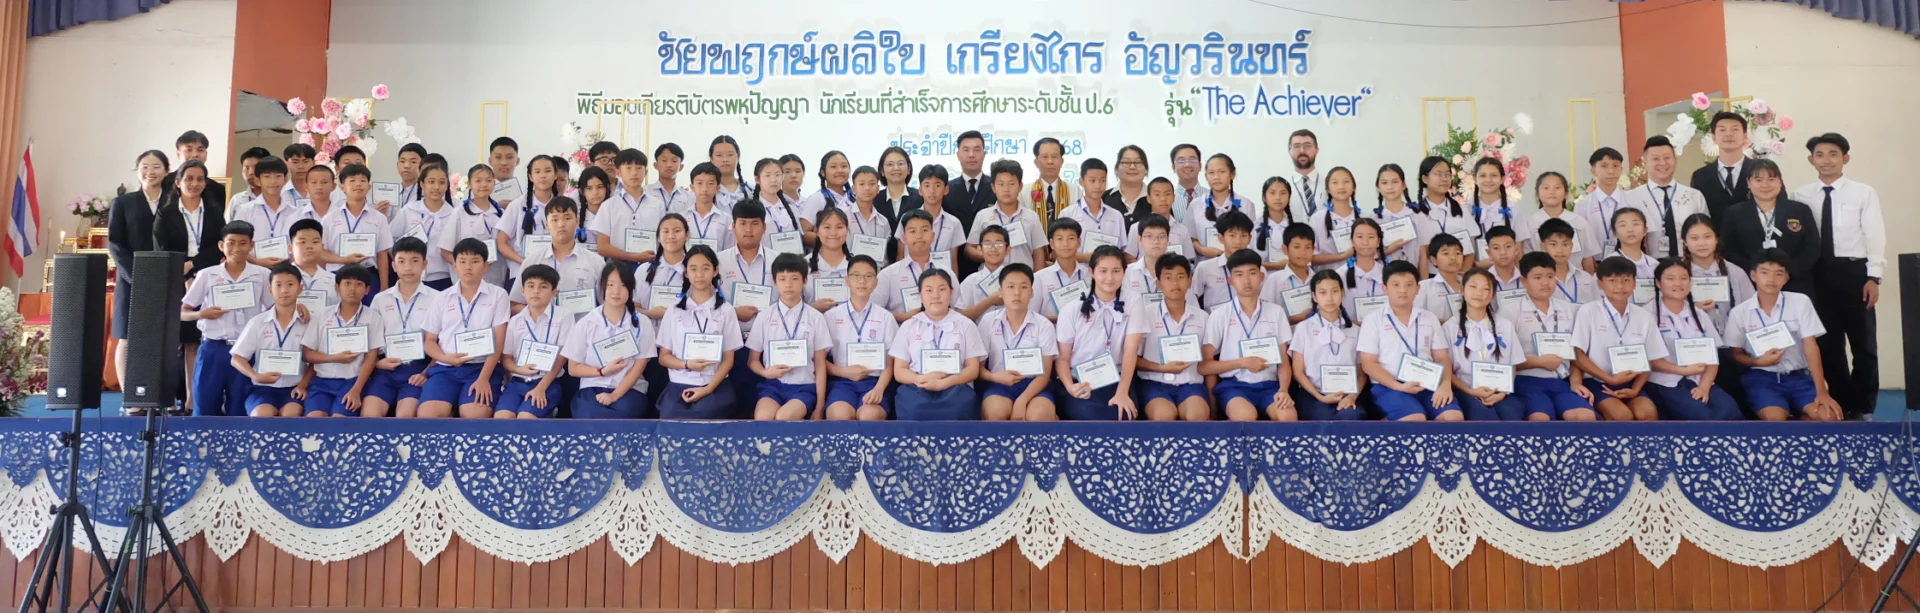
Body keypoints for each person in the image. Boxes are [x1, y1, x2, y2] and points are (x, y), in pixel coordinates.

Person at [1794, 132, 1883, 419]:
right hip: (1818, 273)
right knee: (1829, 344)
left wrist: (1874, 277)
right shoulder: (1800, 195)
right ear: (1811, 160)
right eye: (1819, 154)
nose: (1826, 160)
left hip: (1855, 272)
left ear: (1845, 158)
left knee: (1863, 343)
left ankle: (1864, 406)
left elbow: (1874, 234)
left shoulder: (1863, 192)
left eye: (1833, 154)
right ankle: (1842, 404)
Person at [1725, 249, 1844, 421]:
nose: (1771, 279)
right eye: (1765, 272)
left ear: (1786, 278)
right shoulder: (1740, 313)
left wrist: (1822, 392)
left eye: (1778, 274)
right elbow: (1735, 354)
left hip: (1799, 376)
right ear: (1753, 275)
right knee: (1776, 421)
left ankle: (1801, 419)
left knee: (1829, 417)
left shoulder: (1800, 302)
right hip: (1763, 377)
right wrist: (1757, 362)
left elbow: (1811, 346)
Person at [154, 160, 225, 412]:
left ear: (205, 183)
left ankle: (192, 400)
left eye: (199, 179)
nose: (194, 184)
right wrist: (184, 275)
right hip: (174, 279)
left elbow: (219, 247)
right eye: (189, 179)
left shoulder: (214, 212)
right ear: (178, 182)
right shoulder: (166, 213)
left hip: (207, 278)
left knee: (195, 341)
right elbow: (162, 248)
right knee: (175, 340)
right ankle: (169, 400)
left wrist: (193, 266)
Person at [180, 221, 271, 416]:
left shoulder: (263, 275)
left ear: (251, 246)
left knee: (240, 409)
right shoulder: (207, 275)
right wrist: (202, 314)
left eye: (243, 243)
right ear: (221, 246)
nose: (236, 248)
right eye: (231, 243)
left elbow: (274, 309)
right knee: (205, 407)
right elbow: (183, 312)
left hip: (246, 351)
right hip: (213, 348)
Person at [419, 238, 510, 419]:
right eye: (462, 261)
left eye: (475, 261)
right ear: (454, 265)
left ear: (486, 265)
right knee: (428, 416)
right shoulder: (441, 297)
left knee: (474, 416)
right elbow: (429, 341)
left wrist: (483, 378)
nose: (468, 267)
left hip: (481, 367)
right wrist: (446, 358)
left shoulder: (498, 295)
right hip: (445, 368)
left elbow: (499, 341)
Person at [1358, 260, 1460, 421]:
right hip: (1390, 385)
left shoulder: (1429, 318)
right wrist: (1398, 386)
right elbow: (1368, 363)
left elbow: (1441, 357)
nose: (1403, 290)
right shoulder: (1373, 320)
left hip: (1429, 383)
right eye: (1396, 285)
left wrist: (1445, 384)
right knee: (1415, 419)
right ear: (1384, 288)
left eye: (1409, 285)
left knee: (1453, 417)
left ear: (1418, 288)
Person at [1200, 249, 1295, 421]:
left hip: (1270, 386)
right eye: (1239, 275)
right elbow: (1205, 366)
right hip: (1234, 386)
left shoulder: (1276, 312)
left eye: (1252, 273)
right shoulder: (1220, 315)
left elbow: (1284, 362)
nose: (1246, 280)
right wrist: (1242, 362)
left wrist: (1283, 390)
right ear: (1230, 280)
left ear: (1261, 276)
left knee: (1288, 416)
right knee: (1245, 416)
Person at [1646, 259, 1743, 420]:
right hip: (1666, 381)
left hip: (1700, 379)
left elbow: (1712, 357)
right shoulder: (1647, 315)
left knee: (1731, 410)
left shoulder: (1699, 314)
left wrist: (1704, 386)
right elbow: (1651, 361)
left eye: (1683, 278)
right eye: (1670, 278)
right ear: (1658, 283)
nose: (1678, 283)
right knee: (1702, 416)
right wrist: (1684, 371)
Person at [1505, 252, 1597, 421]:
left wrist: (1576, 382)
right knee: (1540, 419)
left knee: (1585, 417)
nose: (1545, 282)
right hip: (1526, 380)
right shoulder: (1509, 312)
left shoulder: (1570, 310)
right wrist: (1538, 362)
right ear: (1524, 281)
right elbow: (1504, 358)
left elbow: (1577, 353)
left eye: (1550, 276)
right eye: (1537, 277)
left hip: (1562, 379)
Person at [655, 245, 743, 418]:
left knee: (705, 413)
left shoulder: (726, 311)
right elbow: (663, 357)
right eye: (693, 269)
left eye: (706, 268)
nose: (700, 274)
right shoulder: (674, 310)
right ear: (686, 273)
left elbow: (728, 359)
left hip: (714, 385)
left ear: (715, 271)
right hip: (678, 384)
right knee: (671, 417)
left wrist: (708, 389)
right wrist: (686, 365)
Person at [1572, 257, 1663, 421]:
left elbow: (1650, 358)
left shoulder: (1644, 316)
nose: (1620, 286)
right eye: (1612, 281)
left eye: (1626, 280)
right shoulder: (1588, 312)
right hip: (1599, 381)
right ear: (1600, 284)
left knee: (1647, 413)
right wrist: (1610, 379)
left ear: (1634, 283)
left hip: (1632, 382)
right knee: (1621, 416)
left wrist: (1636, 389)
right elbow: (1578, 354)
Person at [890, 268, 987, 420]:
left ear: (951, 292)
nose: (935, 296)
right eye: (929, 290)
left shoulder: (966, 325)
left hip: (956, 386)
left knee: (957, 410)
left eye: (942, 289)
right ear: (920, 294)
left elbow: (973, 369)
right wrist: (920, 379)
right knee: (913, 409)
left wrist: (944, 383)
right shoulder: (909, 326)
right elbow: (899, 371)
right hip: (917, 386)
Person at [108, 150, 168, 392]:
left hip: (165, 278)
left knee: (163, 337)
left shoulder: (174, 201)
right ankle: (128, 398)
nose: (150, 171)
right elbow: (115, 243)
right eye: (144, 166)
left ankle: (157, 394)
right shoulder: (123, 202)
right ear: (137, 171)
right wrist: (134, 276)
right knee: (127, 336)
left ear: (167, 171)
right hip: (130, 278)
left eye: (156, 166)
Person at [746, 254, 832, 420]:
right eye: (782, 279)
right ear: (774, 282)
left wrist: (820, 407)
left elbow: (820, 364)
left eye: (794, 278)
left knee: (784, 417)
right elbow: (752, 361)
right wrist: (765, 373)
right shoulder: (764, 316)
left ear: (804, 281)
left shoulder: (815, 317)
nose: (788, 284)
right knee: (763, 417)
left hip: (804, 386)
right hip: (773, 386)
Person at [564, 262, 656, 419]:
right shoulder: (586, 323)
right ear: (602, 287)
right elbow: (573, 368)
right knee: (589, 415)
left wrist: (614, 395)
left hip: (629, 389)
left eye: (623, 285)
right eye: (611, 285)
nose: (616, 291)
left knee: (624, 413)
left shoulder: (642, 322)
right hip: (592, 386)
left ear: (630, 289)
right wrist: (601, 371)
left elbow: (640, 366)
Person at [1125, 254, 1210, 421]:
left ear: (1190, 281)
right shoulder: (1145, 314)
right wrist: (1161, 368)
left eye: (1180, 277)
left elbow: (1208, 361)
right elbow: (1133, 357)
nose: (1175, 283)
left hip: (1190, 384)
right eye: (1168, 278)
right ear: (1158, 283)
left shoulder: (1203, 317)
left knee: (1197, 416)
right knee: (1164, 416)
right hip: (1154, 384)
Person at [1717, 159, 1819, 295]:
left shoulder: (1800, 210)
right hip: (1750, 283)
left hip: (1795, 283)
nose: (1765, 185)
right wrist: (1756, 273)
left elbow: (1812, 246)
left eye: (1771, 179)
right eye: (1758, 180)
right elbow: (1728, 249)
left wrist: (1787, 271)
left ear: (1780, 182)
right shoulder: (1734, 213)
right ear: (1748, 183)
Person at [1052, 246, 1131, 420]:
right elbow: (1062, 358)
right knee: (1091, 415)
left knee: (1123, 414)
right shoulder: (1071, 309)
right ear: (1092, 272)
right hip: (1079, 381)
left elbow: (1131, 351)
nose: (1109, 277)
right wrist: (1071, 387)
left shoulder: (1132, 301)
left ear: (1124, 273)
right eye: (1103, 271)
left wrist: (1122, 392)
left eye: (1116, 271)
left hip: (1116, 380)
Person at [363, 237, 439, 418]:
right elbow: (369, 339)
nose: (408, 267)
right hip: (386, 367)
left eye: (415, 261)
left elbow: (443, 343)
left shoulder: (437, 298)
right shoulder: (380, 299)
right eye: (402, 261)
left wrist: (426, 372)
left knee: (405, 415)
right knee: (369, 415)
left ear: (425, 264)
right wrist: (377, 363)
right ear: (394, 266)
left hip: (419, 368)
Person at [976, 264, 1059, 421]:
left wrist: (1022, 401)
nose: (1017, 293)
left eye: (1024, 287)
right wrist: (995, 377)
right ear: (1000, 291)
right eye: (1010, 287)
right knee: (995, 413)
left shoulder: (1043, 325)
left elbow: (1045, 374)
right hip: (999, 383)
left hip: (1035, 385)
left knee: (1038, 416)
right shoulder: (988, 321)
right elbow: (977, 368)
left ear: (1032, 292)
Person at [300, 264, 383, 417]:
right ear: (337, 287)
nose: (352, 289)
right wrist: (333, 358)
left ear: (367, 290)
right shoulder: (322, 315)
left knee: (339, 420)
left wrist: (356, 390)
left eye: (359, 284)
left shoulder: (373, 317)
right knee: (314, 419)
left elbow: (371, 357)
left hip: (352, 382)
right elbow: (307, 354)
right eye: (347, 283)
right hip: (321, 382)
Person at [1447, 268, 1529, 421]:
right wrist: (1470, 391)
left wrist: (1502, 393)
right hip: (1465, 391)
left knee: (1511, 416)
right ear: (1462, 289)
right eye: (1473, 287)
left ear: (1493, 295)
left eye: (1486, 289)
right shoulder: (1450, 327)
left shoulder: (1504, 325)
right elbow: (1447, 370)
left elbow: (1513, 365)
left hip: (1499, 392)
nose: (1479, 293)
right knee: (1483, 416)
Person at [231, 263, 312, 417]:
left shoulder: (308, 322)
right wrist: (255, 376)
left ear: (300, 289)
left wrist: (303, 385)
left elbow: (314, 360)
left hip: (295, 388)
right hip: (262, 388)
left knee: (291, 414)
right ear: (270, 290)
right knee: (262, 415)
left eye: (290, 284)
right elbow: (236, 358)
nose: (284, 290)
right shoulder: (257, 322)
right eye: (278, 285)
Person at [823, 255, 896, 421]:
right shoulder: (831, 316)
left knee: (869, 415)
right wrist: (843, 372)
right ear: (847, 280)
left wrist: (879, 389)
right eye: (856, 275)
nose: (862, 281)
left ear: (876, 282)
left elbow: (890, 361)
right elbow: (819, 360)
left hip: (875, 381)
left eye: (868, 276)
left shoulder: (886, 317)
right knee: (839, 414)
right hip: (842, 381)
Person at [499, 264, 574, 418]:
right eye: (531, 286)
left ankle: (548, 413)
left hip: (547, 383)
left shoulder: (564, 316)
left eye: (543, 287)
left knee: (525, 418)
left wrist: (541, 388)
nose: (536, 291)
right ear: (522, 290)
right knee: (502, 419)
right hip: (517, 381)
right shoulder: (515, 321)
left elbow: (562, 357)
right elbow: (506, 358)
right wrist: (519, 370)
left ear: (554, 292)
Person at [1289, 270, 1366, 420]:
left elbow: (1361, 372)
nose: (1329, 298)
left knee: (1351, 417)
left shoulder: (1355, 330)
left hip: (1347, 394)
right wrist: (1321, 397)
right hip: (1313, 394)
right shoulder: (1303, 328)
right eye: (1323, 293)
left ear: (1342, 293)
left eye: (1334, 291)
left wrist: (1352, 397)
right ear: (1314, 296)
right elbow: (1298, 372)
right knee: (1323, 418)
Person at [511, 198, 603, 315]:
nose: (561, 224)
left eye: (567, 218)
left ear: (577, 221)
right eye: (554, 219)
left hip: (583, 326)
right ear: (546, 225)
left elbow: (607, 304)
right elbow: (514, 304)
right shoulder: (533, 261)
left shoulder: (595, 262)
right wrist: (540, 314)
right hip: (543, 326)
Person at [1623, 136, 1709, 259]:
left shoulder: (1694, 195)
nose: (1662, 163)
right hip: (1649, 265)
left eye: (1667, 158)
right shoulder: (1631, 198)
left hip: (1689, 263)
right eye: (1655, 159)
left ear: (1675, 160)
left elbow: (1706, 232)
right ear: (1645, 162)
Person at [966, 159, 1047, 270]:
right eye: (1001, 184)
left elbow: (1038, 253)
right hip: (991, 277)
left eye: (1011, 184)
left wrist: (1037, 279)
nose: (1006, 189)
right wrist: (988, 255)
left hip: (1022, 277)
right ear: (993, 187)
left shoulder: (1031, 217)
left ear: (1020, 186)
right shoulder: (983, 216)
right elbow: (970, 248)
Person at [438, 165, 509, 287]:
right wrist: (463, 267)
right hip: (467, 283)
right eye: (478, 181)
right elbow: (445, 251)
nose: (484, 184)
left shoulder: (501, 213)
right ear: (469, 184)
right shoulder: (460, 212)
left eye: (488, 180)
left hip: (496, 281)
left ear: (494, 183)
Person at [321, 165, 391, 288]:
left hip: (368, 274)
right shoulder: (329, 219)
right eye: (352, 180)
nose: (358, 184)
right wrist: (342, 260)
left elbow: (382, 254)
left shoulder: (379, 218)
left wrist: (384, 287)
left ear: (369, 187)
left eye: (363, 180)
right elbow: (321, 252)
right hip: (337, 274)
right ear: (342, 187)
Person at [592, 148, 664, 267]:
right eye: (628, 168)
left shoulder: (657, 205)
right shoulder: (609, 206)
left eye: (639, 168)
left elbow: (664, 240)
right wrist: (633, 257)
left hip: (649, 267)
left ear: (646, 172)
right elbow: (602, 247)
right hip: (617, 268)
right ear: (618, 172)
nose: (634, 173)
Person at [495, 156, 563, 276]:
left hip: (556, 272)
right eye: (537, 172)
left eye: (547, 171)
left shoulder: (564, 206)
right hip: (522, 272)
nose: (542, 176)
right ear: (530, 176)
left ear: (555, 175)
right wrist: (524, 262)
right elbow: (501, 243)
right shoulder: (517, 205)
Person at [394, 163, 457, 290]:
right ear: (422, 184)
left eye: (442, 182)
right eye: (431, 182)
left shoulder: (455, 214)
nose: (436, 187)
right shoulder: (408, 211)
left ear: (447, 185)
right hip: (410, 278)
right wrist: (402, 264)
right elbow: (391, 242)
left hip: (443, 279)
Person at [876, 209, 946, 321]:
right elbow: (874, 310)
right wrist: (903, 317)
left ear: (933, 236)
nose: (919, 236)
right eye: (912, 231)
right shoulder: (888, 274)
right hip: (901, 329)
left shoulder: (946, 273)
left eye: (924, 230)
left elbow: (956, 310)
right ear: (904, 238)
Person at [894, 165, 963, 271]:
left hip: (941, 278)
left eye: (937, 185)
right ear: (920, 190)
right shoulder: (907, 218)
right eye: (927, 185)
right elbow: (900, 256)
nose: (932, 190)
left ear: (946, 190)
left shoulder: (954, 223)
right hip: (911, 276)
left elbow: (953, 262)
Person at [1058, 158, 1126, 264]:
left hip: (1109, 272)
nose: (1098, 186)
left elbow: (1123, 251)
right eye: (1092, 181)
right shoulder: (1068, 214)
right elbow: (1059, 253)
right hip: (1078, 272)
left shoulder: (1116, 216)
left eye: (1102, 180)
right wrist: (1087, 257)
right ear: (1081, 181)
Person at [1525, 171, 1598, 270]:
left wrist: (1588, 278)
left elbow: (1587, 257)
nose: (1552, 191)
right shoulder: (1530, 224)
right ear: (1537, 194)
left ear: (1566, 194)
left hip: (1575, 277)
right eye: (1546, 188)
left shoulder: (1579, 222)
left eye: (1557, 187)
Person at [1417, 157, 1479, 271]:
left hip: (1458, 276)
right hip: (1430, 276)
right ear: (1425, 178)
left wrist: (1462, 276)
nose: (1444, 179)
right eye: (1438, 174)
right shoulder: (1416, 213)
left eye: (1447, 175)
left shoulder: (1460, 210)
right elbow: (1420, 253)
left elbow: (1471, 247)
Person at [1690, 111, 1754, 219]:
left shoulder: (1761, 170)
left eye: (1735, 129)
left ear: (1745, 136)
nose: (1728, 134)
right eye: (1722, 130)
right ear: (1714, 138)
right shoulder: (1700, 176)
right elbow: (1697, 217)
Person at [1368, 164, 1433, 270]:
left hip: (1413, 275)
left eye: (1395, 182)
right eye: (1384, 183)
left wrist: (1424, 280)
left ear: (1403, 185)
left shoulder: (1417, 215)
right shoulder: (1373, 219)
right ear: (1378, 187)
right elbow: (1368, 255)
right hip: (1383, 276)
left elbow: (1423, 254)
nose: (1390, 187)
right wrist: (1390, 249)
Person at [1187, 154, 1251, 260]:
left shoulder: (1246, 204)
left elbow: (1250, 237)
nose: (1216, 177)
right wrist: (1203, 250)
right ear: (1206, 176)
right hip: (1205, 264)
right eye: (1211, 173)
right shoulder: (1196, 204)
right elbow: (1190, 239)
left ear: (1232, 174)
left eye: (1222, 172)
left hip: (1238, 263)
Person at [234, 156, 295, 267]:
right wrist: (256, 261)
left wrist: (290, 262)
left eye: (278, 176)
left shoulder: (295, 212)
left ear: (285, 180)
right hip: (253, 268)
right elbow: (235, 243)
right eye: (267, 176)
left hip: (287, 270)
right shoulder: (245, 210)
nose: (273, 181)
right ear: (258, 180)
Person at [1575, 147, 1628, 265]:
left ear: (1621, 169)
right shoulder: (1583, 205)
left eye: (1616, 166)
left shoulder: (1632, 200)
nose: (1611, 171)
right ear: (1593, 171)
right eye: (1604, 166)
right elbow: (1580, 240)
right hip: (1595, 264)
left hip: (1628, 262)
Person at [1191, 212, 1255, 310]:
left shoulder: (1257, 269)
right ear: (1221, 238)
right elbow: (1192, 299)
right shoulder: (1205, 268)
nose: (1238, 241)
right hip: (1213, 318)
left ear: (1250, 238)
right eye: (1232, 235)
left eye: (1243, 236)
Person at [1259, 223, 1319, 324]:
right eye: (1297, 247)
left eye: (1308, 247)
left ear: (1313, 249)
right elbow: (1265, 318)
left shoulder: (1319, 280)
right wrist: (1294, 319)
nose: (1303, 252)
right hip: (1286, 333)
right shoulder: (1274, 280)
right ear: (1285, 249)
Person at [1032, 218, 1090, 320]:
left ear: (1079, 242)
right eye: (1059, 239)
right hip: (1052, 329)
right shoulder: (1039, 278)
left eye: (1071, 238)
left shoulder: (1090, 275)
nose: (1065, 244)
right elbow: (1032, 315)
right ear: (1052, 244)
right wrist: (1061, 320)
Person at [751, 158, 813, 253]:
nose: (773, 180)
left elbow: (799, 237)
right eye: (767, 175)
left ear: (782, 177)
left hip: (790, 259)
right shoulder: (751, 209)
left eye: (777, 175)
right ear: (757, 179)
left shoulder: (791, 208)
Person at [636, 214, 690, 320]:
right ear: (658, 237)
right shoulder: (644, 270)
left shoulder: (694, 271)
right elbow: (633, 306)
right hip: (649, 328)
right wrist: (648, 313)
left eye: (677, 231)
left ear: (687, 235)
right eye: (666, 231)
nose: (671, 236)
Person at [1120, 215, 1180, 310]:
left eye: (1161, 236)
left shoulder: (1179, 273)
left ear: (1168, 240)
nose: (1156, 241)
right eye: (1149, 236)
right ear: (1140, 240)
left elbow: (1190, 307)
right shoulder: (1127, 273)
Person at [1334, 219, 1389, 321]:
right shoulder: (1339, 275)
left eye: (1371, 237)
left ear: (1378, 242)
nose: (1365, 242)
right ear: (1352, 241)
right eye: (1360, 237)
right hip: (1350, 329)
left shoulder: (1389, 273)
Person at [1469, 158, 1530, 246]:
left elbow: (1519, 247)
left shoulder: (1513, 210)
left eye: (1494, 175)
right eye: (1483, 176)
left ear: (1502, 179)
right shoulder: (1466, 209)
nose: (1488, 180)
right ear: (1475, 179)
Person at [956, 225, 1012, 320]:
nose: (993, 249)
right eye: (987, 244)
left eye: (999, 244)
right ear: (979, 249)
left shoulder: (1016, 278)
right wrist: (990, 301)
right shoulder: (971, 281)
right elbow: (960, 316)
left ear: (1008, 250)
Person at [1128, 178, 1191, 261]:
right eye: (1157, 194)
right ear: (1148, 198)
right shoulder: (1136, 228)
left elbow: (1188, 260)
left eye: (1167, 194)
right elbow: (1130, 258)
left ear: (1174, 198)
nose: (1163, 199)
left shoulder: (1183, 230)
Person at [1538, 219, 1598, 305]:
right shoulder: (1536, 281)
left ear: (1572, 246)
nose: (1560, 250)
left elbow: (1597, 308)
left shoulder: (1586, 278)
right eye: (1553, 244)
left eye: (1565, 244)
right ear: (1543, 246)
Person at [844, 165, 895, 265]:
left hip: (877, 271)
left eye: (872, 184)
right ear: (854, 189)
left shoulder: (883, 221)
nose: (867, 188)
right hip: (850, 270)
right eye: (862, 184)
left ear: (878, 189)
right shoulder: (844, 217)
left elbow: (885, 255)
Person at [162, 130, 226, 207]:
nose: (195, 154)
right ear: (178, 154)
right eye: (189, 150)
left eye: (200, 150)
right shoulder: (163, 183)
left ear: (206, 155)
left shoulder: (218, 190)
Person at [806, 207, 853, 311]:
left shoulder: (858, 264)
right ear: (817, 231)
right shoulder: (803, 265)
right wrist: (813, 309)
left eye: (839, 227)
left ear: (847, 230)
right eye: (827, 227)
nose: (833, 233)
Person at [1607, 208, 1659, 304]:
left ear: (1645, 230)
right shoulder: (1609, 264)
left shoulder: (1654, 265)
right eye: (1623, 225)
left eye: (1635, 224)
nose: (1630, 230)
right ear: (1615, 233)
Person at [1021, 138, 1072, 233]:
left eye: (1054, 156)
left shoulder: (1074, 190)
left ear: (1062, 161)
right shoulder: (1024, 192)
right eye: (1045, 157)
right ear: (1036, 162)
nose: (1050, 161)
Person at [944, 131, 994, 228]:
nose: (971, 155)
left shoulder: (996, 186)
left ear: (984, 154)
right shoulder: (947, 189)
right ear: (958, 154)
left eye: (976, 150)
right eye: (966, 150)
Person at [1417, 233, 1466, 323]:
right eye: (1446, 253)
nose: (1453, 258)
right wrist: (1448, 323)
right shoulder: (1424, 287)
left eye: (1457, 253)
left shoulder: (1469, 285)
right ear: (1434, 260)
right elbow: (1417, 318)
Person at [289, 219, 338, 309]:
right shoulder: (280, 278)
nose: (309, 246)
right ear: (290, 248)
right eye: (302, 242)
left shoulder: (334, 280)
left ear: (322, 247)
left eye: (315, 242)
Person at [1251, 177, 1294, 271]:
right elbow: (1249, 261)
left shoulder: (1297, 226)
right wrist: (1276, 266)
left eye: (1283, 193)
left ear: (1289, 197)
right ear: (1264, 197)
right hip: (1263, 278)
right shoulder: (1254, 227)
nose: (1278, 198)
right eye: (1272, 193)